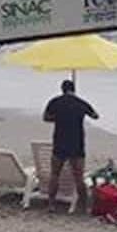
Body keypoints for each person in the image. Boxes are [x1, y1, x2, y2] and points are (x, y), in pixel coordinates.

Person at [43, 79, 98, 213]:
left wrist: (59, 118)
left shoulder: (55, 102)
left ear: (62, 89)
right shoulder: (80, 103)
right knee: (79, 177)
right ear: (74, 89)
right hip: (76, 143)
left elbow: (46, 117)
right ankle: (83, 206)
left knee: (55, 174)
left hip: (60, 142)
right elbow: (95, 115)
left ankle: (51, 204)